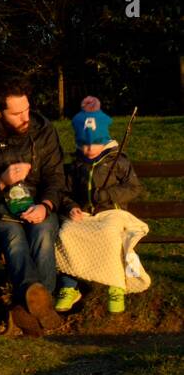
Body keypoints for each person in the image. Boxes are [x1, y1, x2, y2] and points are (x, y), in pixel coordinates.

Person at [0, 78, 66, 335]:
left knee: (43, 232)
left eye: (27, 109)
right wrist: (2, 181)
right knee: (14, 237)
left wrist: (46, 205)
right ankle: (40, 307)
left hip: (39, 203)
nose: (25, 117)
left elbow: (55, 176)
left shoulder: (42, 129)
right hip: (0, 209)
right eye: (16, 113)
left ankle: (29, 307)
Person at [55, 98, 147, 315]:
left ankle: (116, 286)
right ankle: (69, 286)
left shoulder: (117, 161)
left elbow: (134, 188)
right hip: (86, 214)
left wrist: (106, 194)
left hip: (112, 213)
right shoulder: (77, 165)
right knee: (66, 232)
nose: (88, 149)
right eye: (84, 144)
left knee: (109, 235)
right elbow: (65, 192)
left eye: (94, 144)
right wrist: (71, 207)